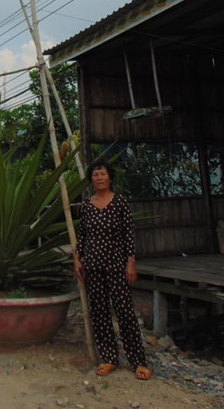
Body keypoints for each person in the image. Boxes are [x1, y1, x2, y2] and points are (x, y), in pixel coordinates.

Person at [75, 161, 152, 381]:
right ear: (91, 179)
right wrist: (77, 258)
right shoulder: (87, 206)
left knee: (125, 311)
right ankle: (109, 358)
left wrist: (131, 261)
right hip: (92, 266)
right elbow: (83, 236)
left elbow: (129, 233)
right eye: (95, 174)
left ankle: (138, 361)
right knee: (99, 312)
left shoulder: (120, 203)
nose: (99, 177)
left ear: (110, 178)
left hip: (116, 266)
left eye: (103, 173)